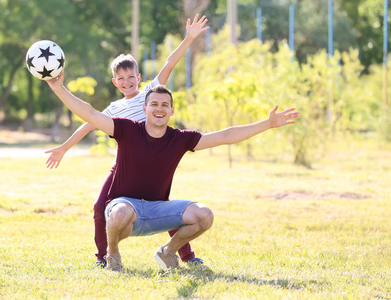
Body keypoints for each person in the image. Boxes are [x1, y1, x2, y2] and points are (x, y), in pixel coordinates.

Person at [46, 73, 299, 271]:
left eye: (165, 105)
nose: (159, 108)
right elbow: (89, 112)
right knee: (120, 211)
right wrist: (58, 88)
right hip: (125, 207)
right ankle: (113, 255)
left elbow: (225, 135)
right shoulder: (126, 129)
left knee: (204, 215)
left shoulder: (180, 139)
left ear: (171, 111)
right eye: (154, 104)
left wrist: (267, 124)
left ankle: (167, 253)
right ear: (144, 109)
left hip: (158, 210)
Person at [45, 14, 210, 268]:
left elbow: (168, 63)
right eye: (121, 79)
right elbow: (87, 123)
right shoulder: (113, 109)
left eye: (131, 76)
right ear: (115, 82)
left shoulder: (150, 93)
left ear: (139, 77)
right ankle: (103, 257)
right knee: (100, 207)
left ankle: (185, 255)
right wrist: (64, 148)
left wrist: (188, 39)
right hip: (124, 167)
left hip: (155, 162)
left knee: (165, 208)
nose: (127, 82)